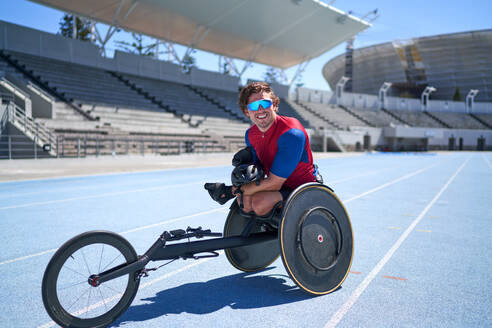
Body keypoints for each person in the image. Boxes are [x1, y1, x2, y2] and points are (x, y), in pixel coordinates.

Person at [205, 81, 320, 216]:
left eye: (265, 103)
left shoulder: (291, 133)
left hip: (301, 187)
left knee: (260, 203)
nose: (260, 109)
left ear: (274, 105)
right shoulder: (250, 134)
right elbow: (257, 172)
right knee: (244, 201)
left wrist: (230, 191)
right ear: (247, 112)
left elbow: (274, 183)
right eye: (254, 106)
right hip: (278, 185)